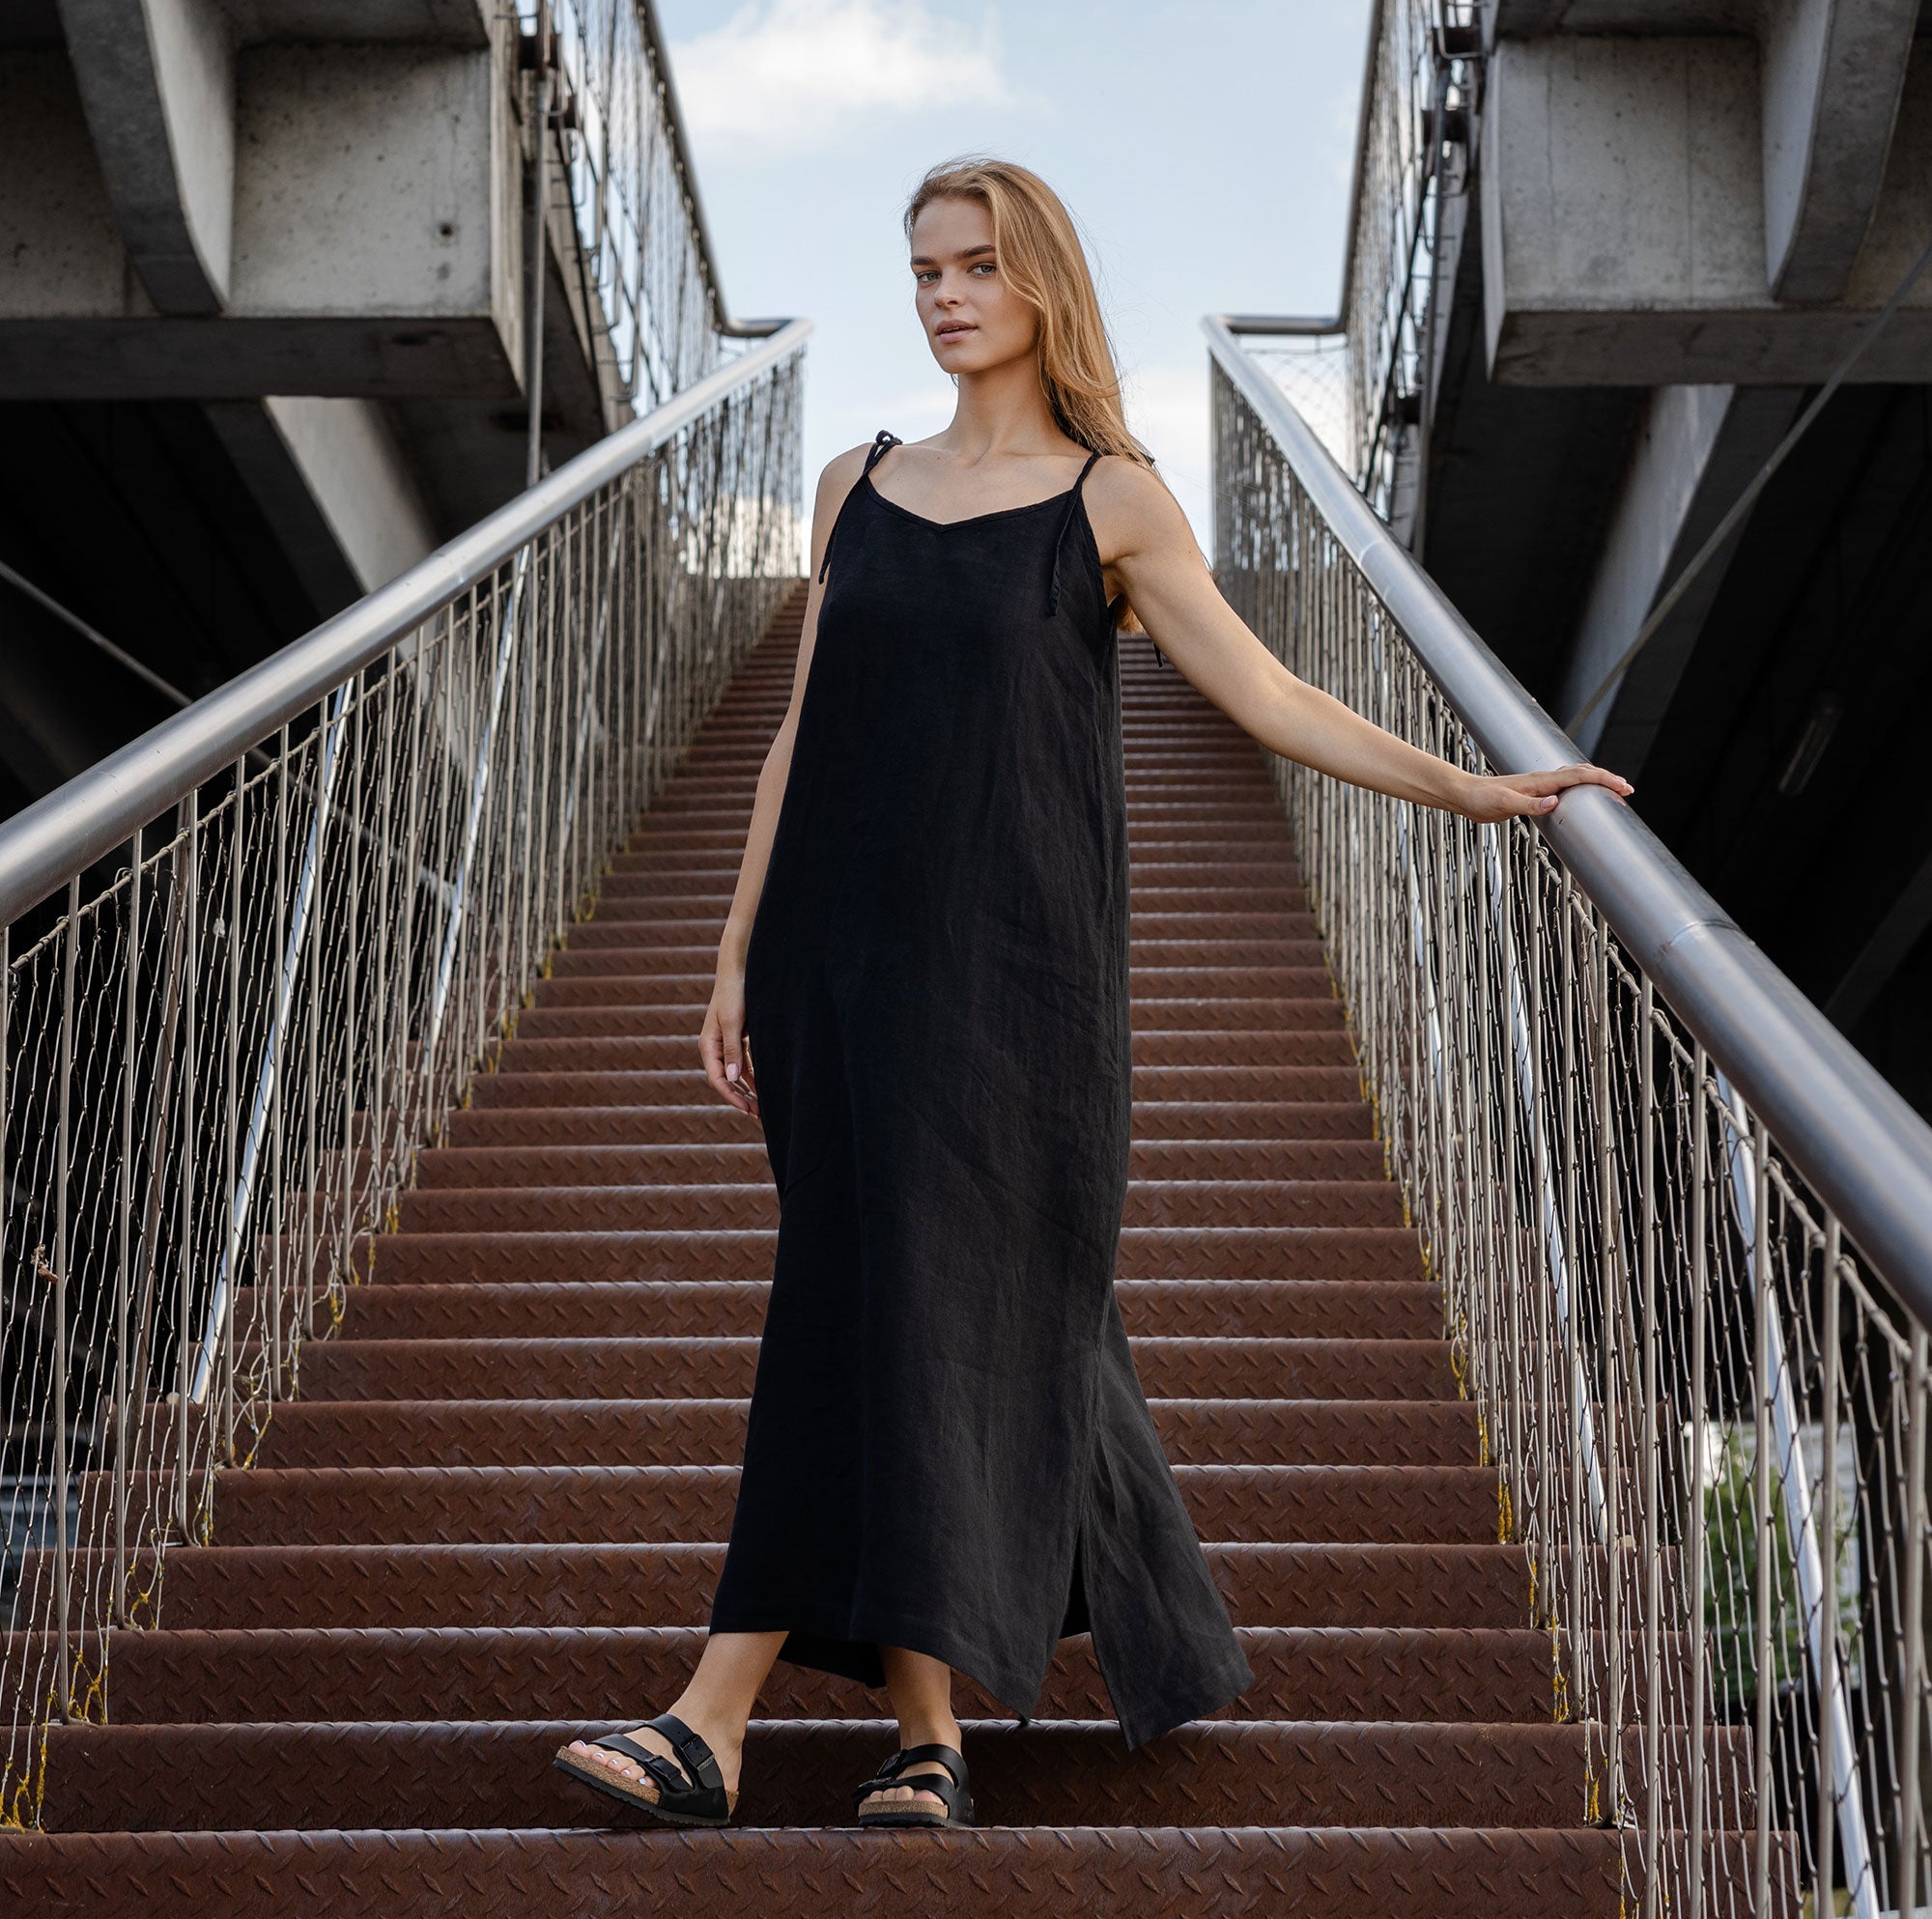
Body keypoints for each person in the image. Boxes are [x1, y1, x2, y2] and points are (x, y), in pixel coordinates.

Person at [554, 155, 1631, 1831]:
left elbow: (1266, 695)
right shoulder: (860, 483)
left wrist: (1474, 786)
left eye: (977, 265)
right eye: (924, 271)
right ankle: (928, 1740)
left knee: (887, 1301)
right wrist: (732, 947)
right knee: (884, 1299)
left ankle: (715, 1715)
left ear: (1041, 280)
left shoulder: (1114, 503)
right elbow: (797, 731)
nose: (945, 296)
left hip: (1016, 982)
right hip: (836, 966)